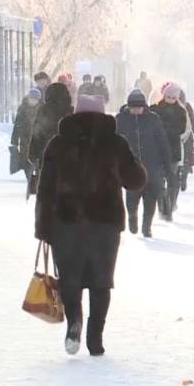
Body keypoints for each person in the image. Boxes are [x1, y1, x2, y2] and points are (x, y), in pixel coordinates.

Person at [36, 94, 146, 356]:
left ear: (75, 113)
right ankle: (95, 338)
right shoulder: (116, 143)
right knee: (101, 282)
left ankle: (74, 323)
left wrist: (43, 227)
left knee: (69, 280)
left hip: (66, 224)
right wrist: (135, 165)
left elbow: (45, 189)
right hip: (104, 225)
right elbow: (135, 181)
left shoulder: (58, 143)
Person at [117, 89, 171, 238]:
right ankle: (132, 218)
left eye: (139, 108)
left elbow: (162, 142)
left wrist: (166, 163)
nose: (136, 111)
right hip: (130, 168)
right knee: (132, 199)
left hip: (152, 166)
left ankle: (147, 227)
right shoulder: (120, 119)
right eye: (133, 108)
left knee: (150, 200)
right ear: (128, 107)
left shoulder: (153, 119)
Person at [150, 84, 187, 222]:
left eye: (173, 98)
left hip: (173, 150)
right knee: (159, 182)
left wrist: (167, 129)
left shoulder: (180, 111)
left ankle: (169, 208)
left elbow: (182, 129)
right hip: (157, 150)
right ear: (163, 96)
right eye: (168, 97)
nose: (171, 100)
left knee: (172, 181)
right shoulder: (154, 109)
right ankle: (163, 209)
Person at [28, 82, 74, 167]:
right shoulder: (71, 111)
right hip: (67, 156)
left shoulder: (43, 110)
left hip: (46, 153)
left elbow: (37, 133)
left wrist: (32, 154)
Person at [12, 88, 43, 179]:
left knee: (38, 159)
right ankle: (29, 177)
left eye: (35, 99)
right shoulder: (23, 108)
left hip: (38, 139)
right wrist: (14, 140)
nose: (33, 101)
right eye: (31, 99)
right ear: (28, 98)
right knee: (25, 159)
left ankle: (38, 176)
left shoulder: (42, 109)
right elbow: (17, 124)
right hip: (25, 138)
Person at [179, 89, 194, 193]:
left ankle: (183, 176)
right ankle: (182, 175)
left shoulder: (187, 106)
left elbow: (192, 119)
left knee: (186, 157)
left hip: (187, 136)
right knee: (184, 158)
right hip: (176, 137)